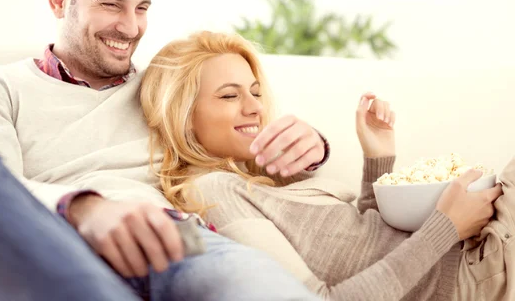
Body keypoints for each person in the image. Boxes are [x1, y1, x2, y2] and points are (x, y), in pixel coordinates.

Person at [0, 0, 329, 300]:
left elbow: (242, 135)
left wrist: (312, 146)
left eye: (142, 8)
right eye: (112, 5)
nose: (131, 28)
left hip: (180, 242)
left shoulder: (162, 86)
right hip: (60, 249)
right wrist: (85, 208)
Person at [140, 30, 515, 300]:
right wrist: (445, 228)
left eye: (254, 91)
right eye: (229, 95)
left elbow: (365, 244)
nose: (255, 107)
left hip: (480, 248)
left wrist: (377, 156)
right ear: (184, 115)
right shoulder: (211, 192)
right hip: (475, 275)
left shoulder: (257, 172)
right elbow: (324, 297)